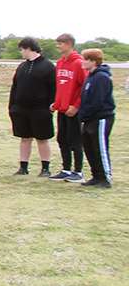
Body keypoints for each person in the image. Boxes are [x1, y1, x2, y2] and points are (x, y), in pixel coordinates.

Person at [8, 37, 56, 176]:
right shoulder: (22, 66)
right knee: (25, 138)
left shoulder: (48, 66)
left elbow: (53, 88)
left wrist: (51, 106)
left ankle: (45, 168)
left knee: (42, 139)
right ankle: (23, 167)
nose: (21, 52)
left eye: (22, 49)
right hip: (21, 109)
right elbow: (15, 87)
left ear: (29, 48)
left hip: (41, 109)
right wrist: (12, 107)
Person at [50, 33, 86, 183]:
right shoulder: (59, 63)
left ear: (69, 44)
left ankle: (78, 171)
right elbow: (60, 86)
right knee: (62, 139)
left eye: (61, 43)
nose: (58, 46)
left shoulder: (78, 63)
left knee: (75, 140)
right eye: (57, 43)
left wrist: (77, 106)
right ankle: (66, 169)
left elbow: (84, 87)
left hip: (73, 110)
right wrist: (56, 103)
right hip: (62, 108)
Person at [77, 48, 114, 188]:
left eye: (85, 59)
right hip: (88, 119)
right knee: (89, 147)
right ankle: (96, 176)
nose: (83, 62)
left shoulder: (101, 77)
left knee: (100, 148)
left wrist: (85, 114)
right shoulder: (90, 76)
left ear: (93, 61)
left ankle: (105, 178)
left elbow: (97, 101)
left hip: (100, 118)